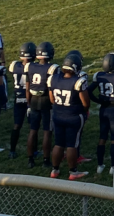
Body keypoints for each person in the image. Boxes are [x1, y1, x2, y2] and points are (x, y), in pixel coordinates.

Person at [48, 51, 90, 180]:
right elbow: (85, 103)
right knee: (72, 144)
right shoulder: (78, 81)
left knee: (58, 143)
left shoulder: (53, 78)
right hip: (73, 116)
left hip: (57, 114)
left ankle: (55, 170)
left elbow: (52, 100)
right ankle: (73, 171)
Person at [91, 53, 114, 174]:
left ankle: (100, 165)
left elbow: (88, 91)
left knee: (102, 138)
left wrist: (98, 100)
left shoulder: (99, 76)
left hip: (103, 109)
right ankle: (113, 167)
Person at [25, 42, 58, 169]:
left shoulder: (30, 66)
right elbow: (53, 88)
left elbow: (27, 88)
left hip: (33, 100)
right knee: (47, 132)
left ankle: (30, 159)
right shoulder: (52, 68)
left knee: (33, 130)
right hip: (46, 101)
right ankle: (45, 160)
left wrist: (28, 103)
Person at [7, 42, 36, 159]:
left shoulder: (14, 65)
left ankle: (12, 150)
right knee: (32, 127)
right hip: (30, 98)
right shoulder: (34, 67)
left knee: (17, 125)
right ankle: (33, 150)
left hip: (18, 97)